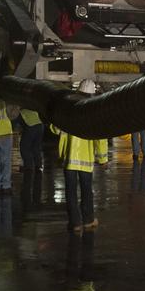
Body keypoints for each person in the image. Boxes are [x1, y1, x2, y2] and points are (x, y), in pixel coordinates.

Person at [52, 79, 109, 232]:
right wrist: (103, 159)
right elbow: (100, 138)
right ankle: (88, 220)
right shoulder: (94, 113)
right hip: (86, 160)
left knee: (70, 192)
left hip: (69, 159)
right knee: (86, 191)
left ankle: (75, 223)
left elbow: (55, 129)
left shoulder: (68, 110)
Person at [18, 107, 44, 173]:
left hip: (31, 126)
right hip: (40, 126)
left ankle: (28, 166)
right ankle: (38, 166)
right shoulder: (31, 108)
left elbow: (18, 123)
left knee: (24, 147)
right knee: (36, 147)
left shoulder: (21, 111)